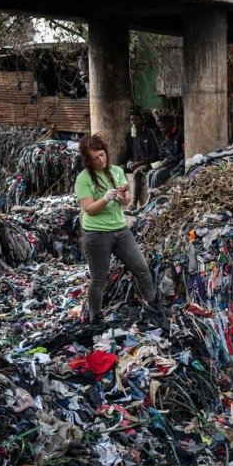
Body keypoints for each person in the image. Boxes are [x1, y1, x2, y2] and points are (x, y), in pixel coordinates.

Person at [75, 134, 163, 324]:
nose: (101, 160)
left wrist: (122, 197)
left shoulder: (116, 171)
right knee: (99, 279)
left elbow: (127, 200)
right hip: (97, 234)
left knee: (141, 268)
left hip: (121, 230)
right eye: (96, 158)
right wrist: (105, 198)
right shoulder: (83, 179)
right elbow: (89, 209)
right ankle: (95, 317)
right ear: (88, 160)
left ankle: (154, 305)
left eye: (102, 155)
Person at [125, 110, 160, 210]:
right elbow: (128, 155)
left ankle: (133, 203)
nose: (134, 122)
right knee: (119, 169)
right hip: (136, 164)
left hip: (150, 163)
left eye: (136, 119)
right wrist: (129, 163)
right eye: (131, 120)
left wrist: (141, 162)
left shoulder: (149, 133)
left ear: (142, 120)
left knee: (137, 172)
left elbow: (156, 155)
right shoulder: (130, 136)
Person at [147, 115, 186, 191]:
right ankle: (150, 194)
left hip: (179, 164)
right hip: (171, 163)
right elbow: (168, 153)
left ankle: (154, 196)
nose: (161, 130)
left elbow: (184, 153)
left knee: (157, 174)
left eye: (162, 127)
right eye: (160, 128)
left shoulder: (181, 132)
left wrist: (172, 160)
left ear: (169, 123)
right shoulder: (168, 135)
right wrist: (165, 161)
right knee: (150, 173)